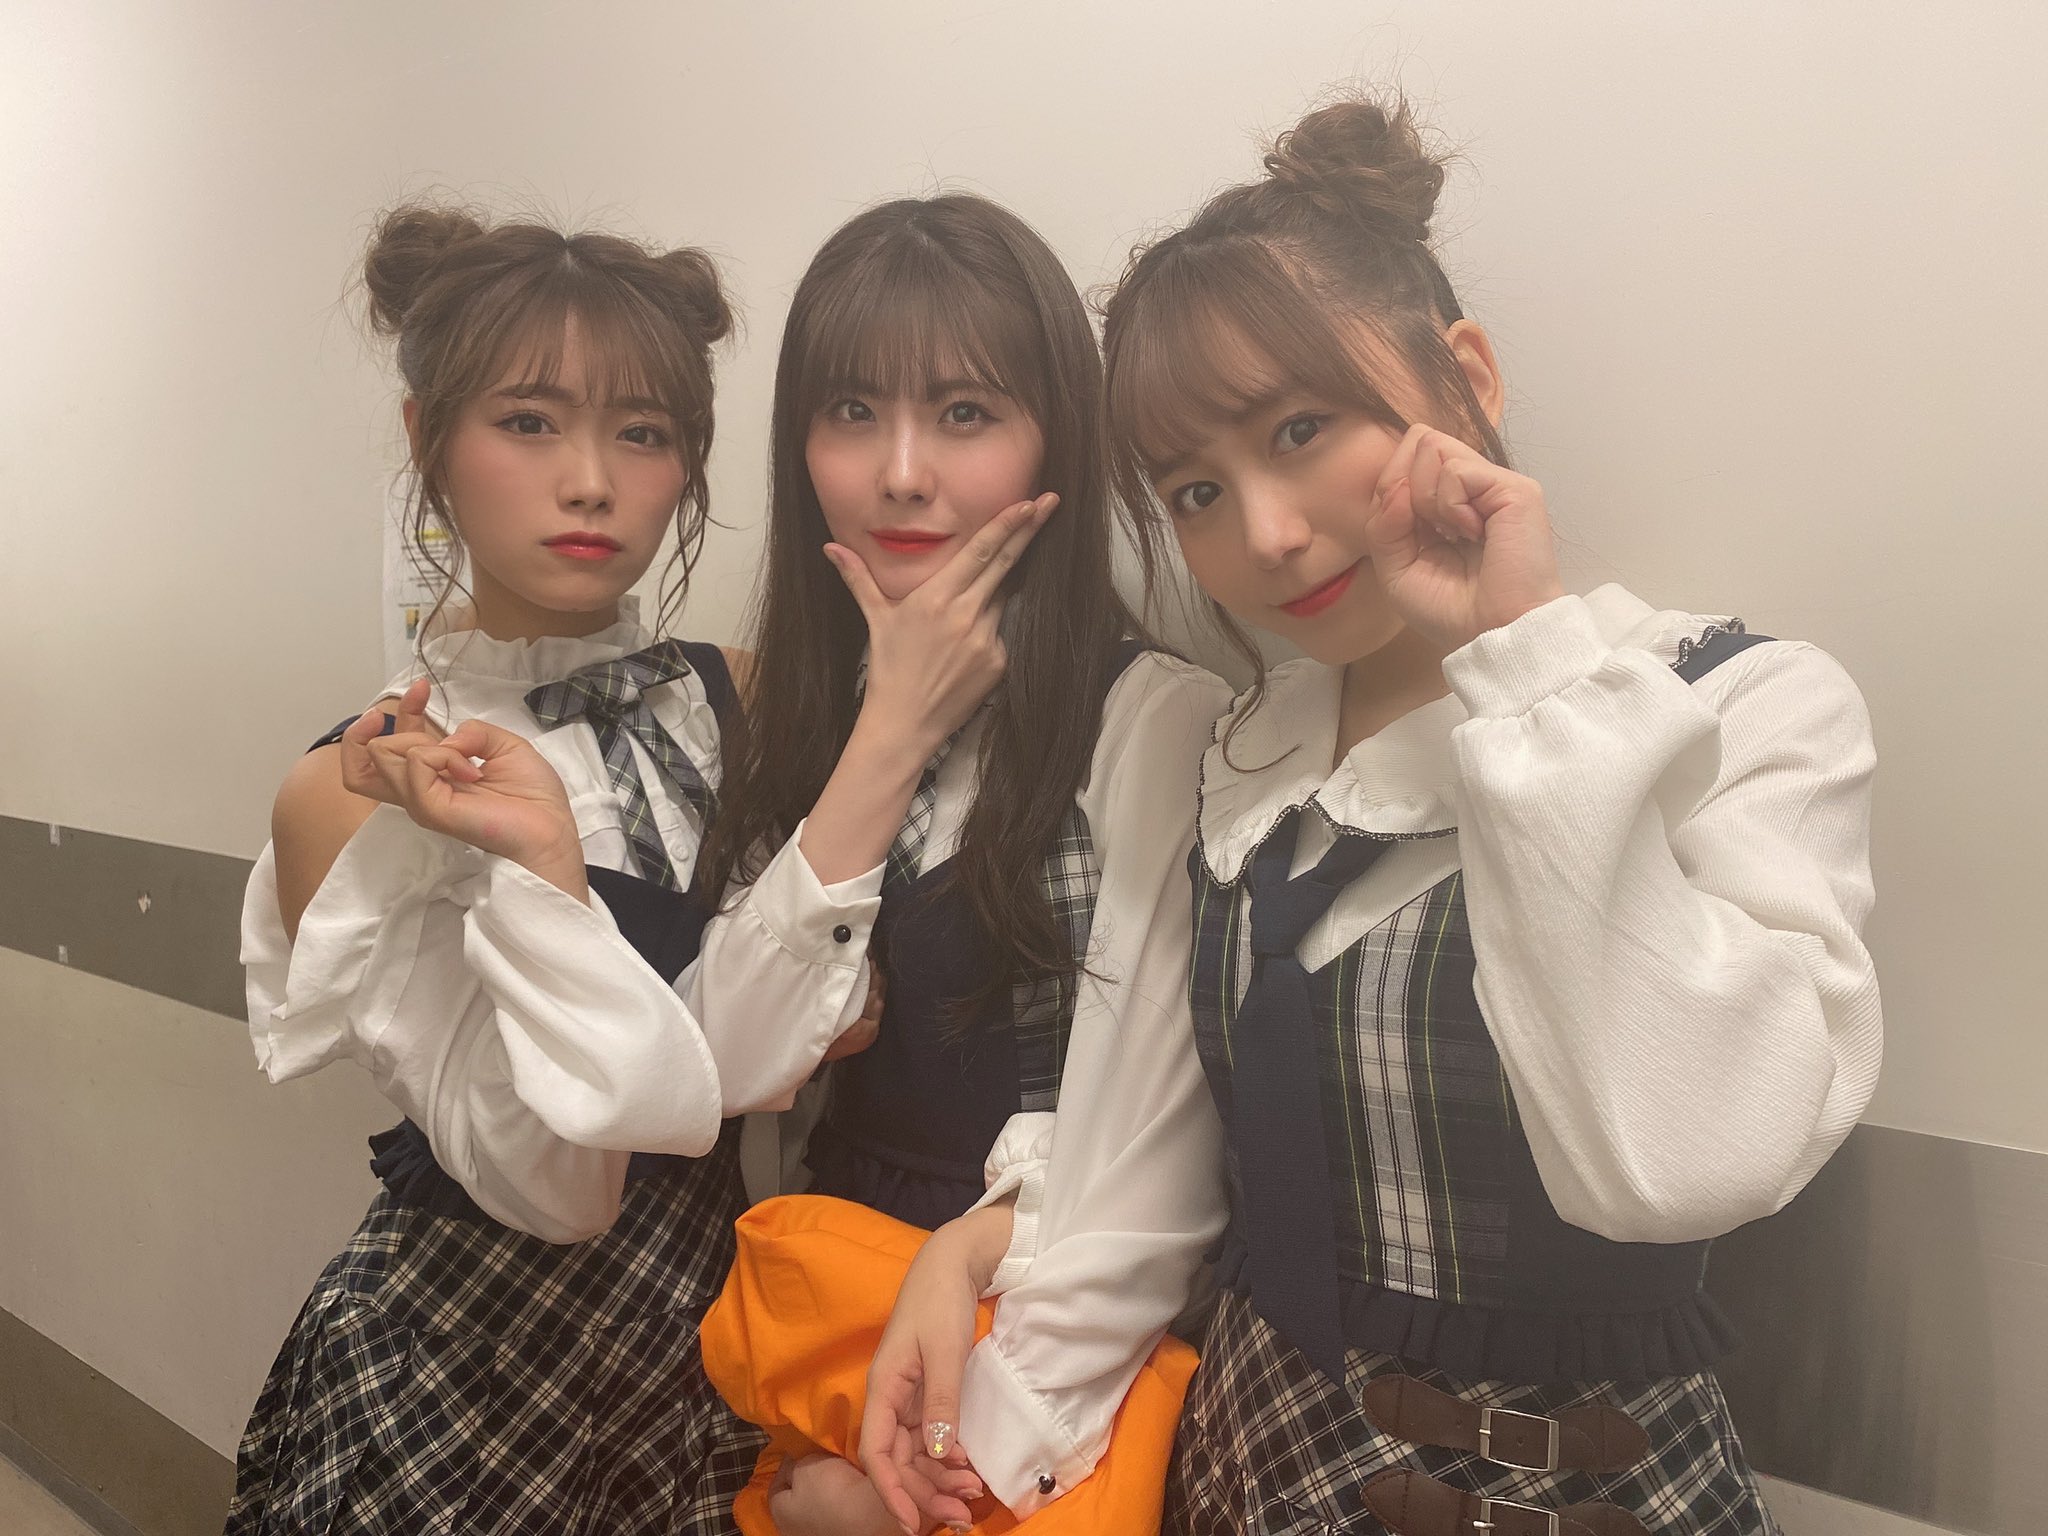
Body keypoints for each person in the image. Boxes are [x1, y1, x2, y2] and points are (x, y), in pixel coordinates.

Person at [863, 97, 1881, 1536]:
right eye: (1197, 491)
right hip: (1252, 1472)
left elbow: (1680, 1155)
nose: (1266, 535)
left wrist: (1523, 663)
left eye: (1302, 429)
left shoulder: (1744, 705)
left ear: (1468, 375)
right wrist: (977, 1289)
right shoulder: (1240, 755)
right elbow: (1159, 1151)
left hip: (1599, 1489)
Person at [230, 204, 1033, 1535]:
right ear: (428, 439)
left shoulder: (748, 703)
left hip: (700, 1345)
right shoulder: (352, 791)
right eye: (529, 422)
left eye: (644, 433)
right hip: (459, 1362)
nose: (591, 482)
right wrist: (567, 885)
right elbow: (556, 1176)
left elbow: (835, 1023)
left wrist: (783, 1021)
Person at [693, 192, 1231, 1535]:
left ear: (1057, 436)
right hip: (819, 1326)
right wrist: (890, 731)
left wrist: (952, 1467)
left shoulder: (1154, 722)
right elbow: (726, 1066)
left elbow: (1158, 1151)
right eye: (852, 411)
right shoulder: (808, 715)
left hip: (1035, 1362)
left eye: (966, 413)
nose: (901, 472)